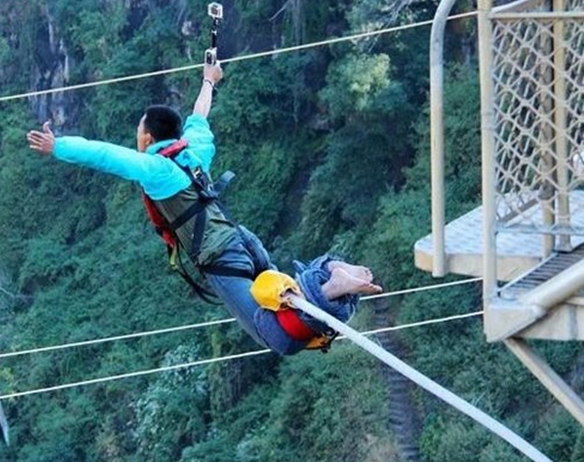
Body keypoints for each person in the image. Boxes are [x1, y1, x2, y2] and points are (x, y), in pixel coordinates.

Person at [27, 62, 382, 355]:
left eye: (138, 132)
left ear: (148, 139)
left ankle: (330, 282)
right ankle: (328, 271)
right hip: (243, 241)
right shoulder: (194, 151)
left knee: (278, 337)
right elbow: (199, 117)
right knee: (284, 304)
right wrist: (209, 80)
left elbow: (107, 155)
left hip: (220, 257)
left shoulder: (157, 170)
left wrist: (58, 146)